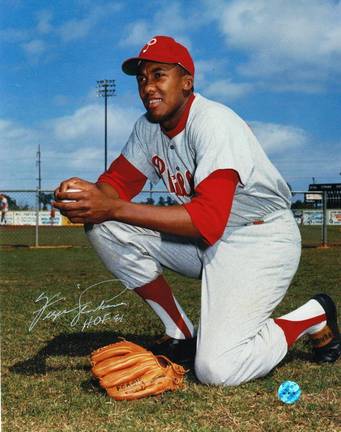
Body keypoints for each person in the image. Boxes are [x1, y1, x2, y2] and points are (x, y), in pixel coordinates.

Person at [54, 36, 340, 386]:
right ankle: (181, 333)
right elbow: (117, 184)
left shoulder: (214, 123)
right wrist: (84, 197)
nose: (148, 87)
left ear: (187, 81)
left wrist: (111, 206)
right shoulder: (147, 128)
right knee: (103, 225)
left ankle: (313, 315)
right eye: (142, 79)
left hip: (261, 239)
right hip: (208, 241)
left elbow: (206, 220)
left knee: (218, 369)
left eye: (159, 75)